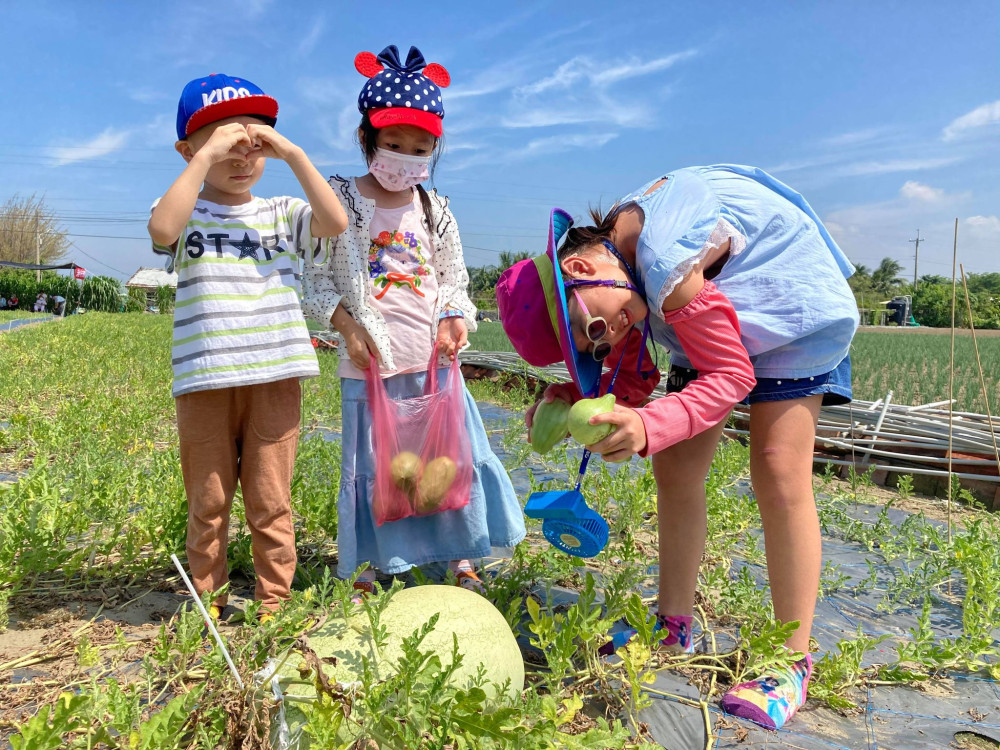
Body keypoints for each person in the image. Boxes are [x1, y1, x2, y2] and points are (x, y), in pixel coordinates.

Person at [496, 165, 859, 731]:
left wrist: (646, 427)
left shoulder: (662, 260)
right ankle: (673, 624)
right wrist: (572, 398)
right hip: (724, 318)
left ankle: (790, 662)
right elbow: (635, 378)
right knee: (677, 466)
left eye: (591, 333)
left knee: (777, 470)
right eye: (593, 347)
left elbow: (731, 375)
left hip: (791, 310)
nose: (607, 340)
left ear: (579, 266)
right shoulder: (621, 281)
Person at [303, 45, 525, 598]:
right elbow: (315, 282)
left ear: (435, 148)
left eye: (420, 147)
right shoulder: (340, 200)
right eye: (393, 144)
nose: (405, 157)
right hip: (370, 366)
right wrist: (349, 329)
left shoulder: (436, 208)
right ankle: (374, 565)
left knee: (448, 464)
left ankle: (461, 557)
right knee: (381, 471)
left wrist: (453, 317)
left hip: (433, 363)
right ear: (366, 140)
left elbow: (453, 279)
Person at [147, 73, 349, 620]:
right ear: (188, 150)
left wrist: (292, 152)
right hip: (205, 378)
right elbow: (163, 230)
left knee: (269, 497)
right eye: (222, 144)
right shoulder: (185, 209)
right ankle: (208, 597)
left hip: (275, 374)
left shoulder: (282, 212)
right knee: (208, 500)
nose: (241, 156)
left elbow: (336, 221)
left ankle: (273, 600)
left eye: (253, 143)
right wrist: (202, 157)